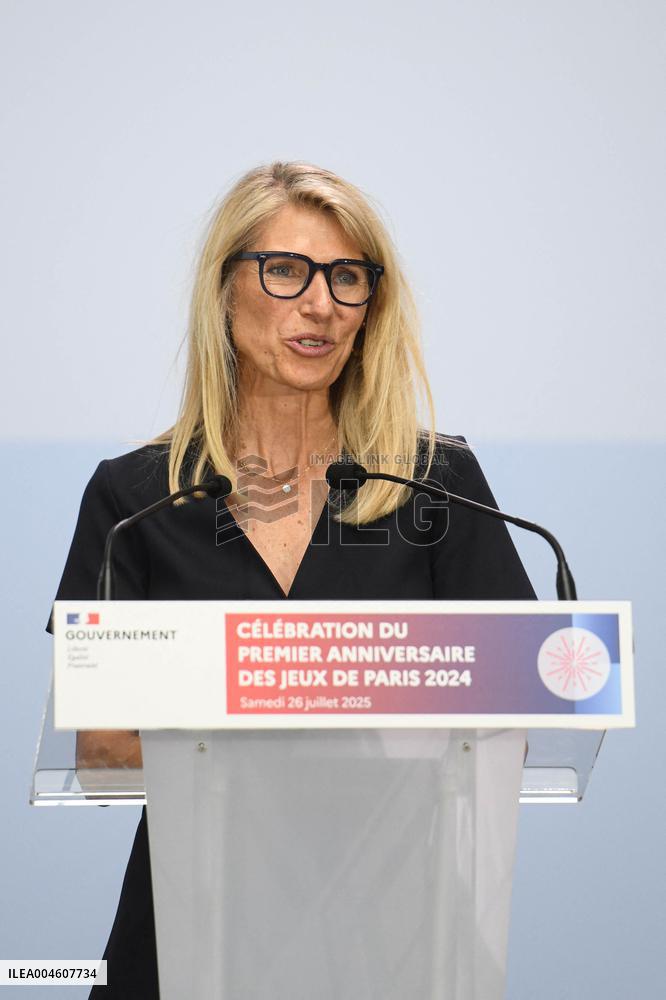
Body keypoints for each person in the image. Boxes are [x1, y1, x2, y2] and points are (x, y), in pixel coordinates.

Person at [47, 160, 536, 998]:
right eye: (286, 271)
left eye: (348, 278)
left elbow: (514, 719)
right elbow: (100, 749)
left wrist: (237, 737)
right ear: (224, 290)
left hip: (397, 936)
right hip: (184, 934)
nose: (320, 304)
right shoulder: (134, 498)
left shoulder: (435, 483)